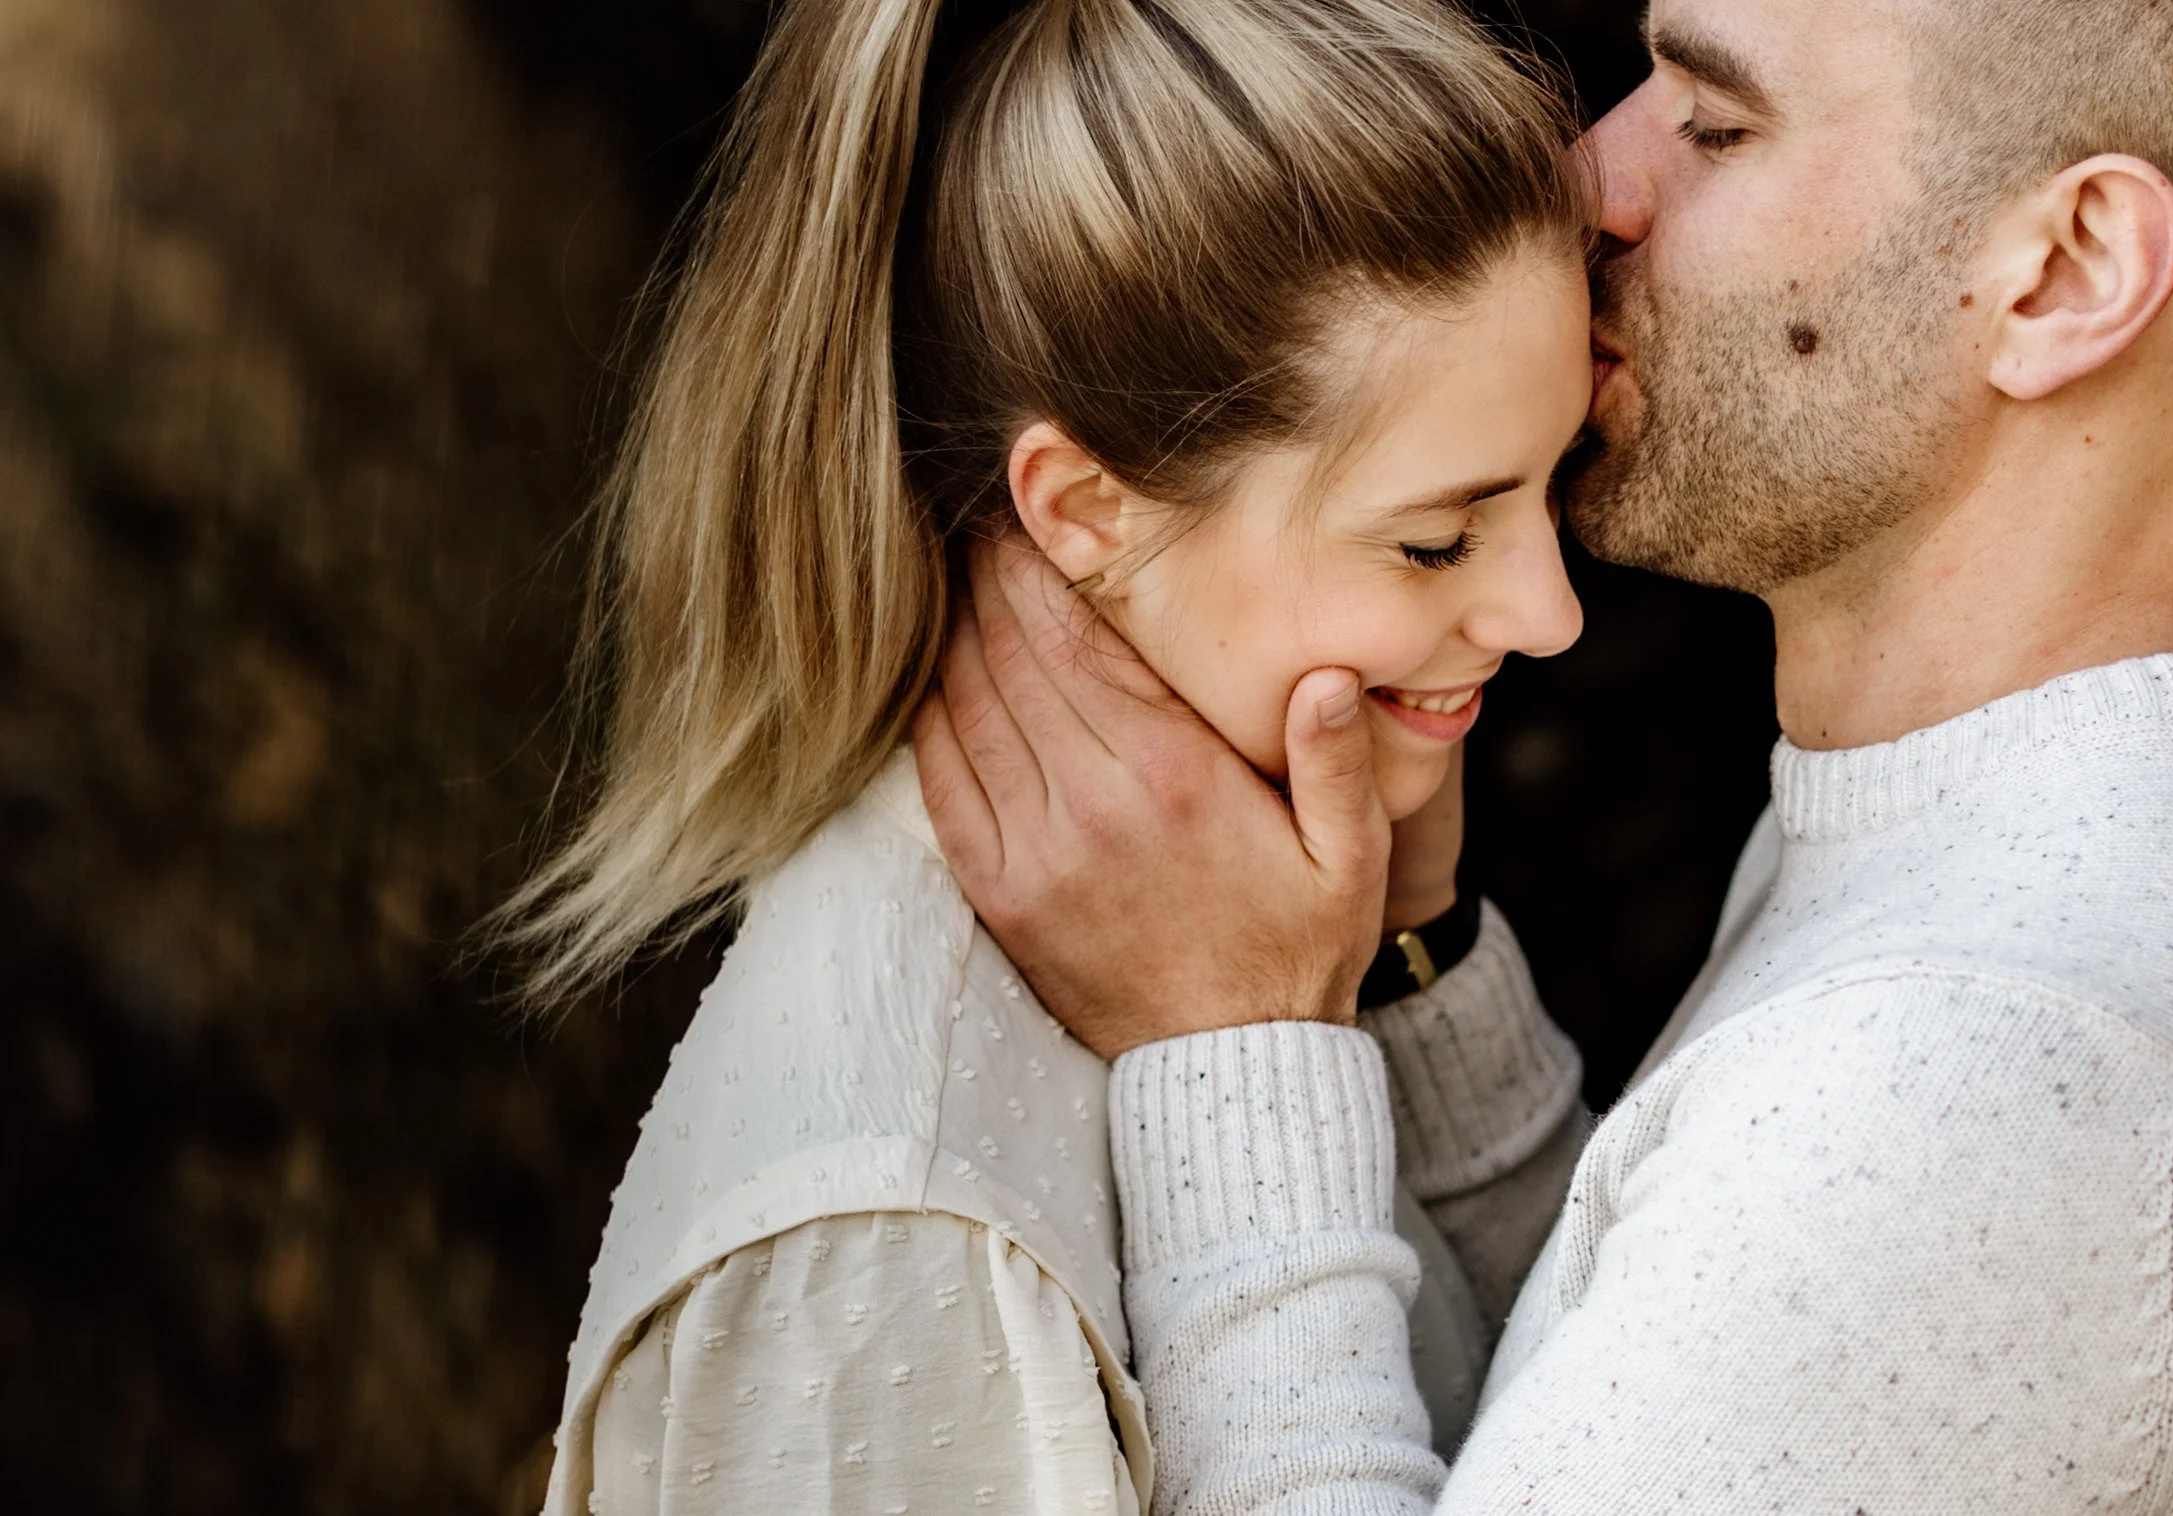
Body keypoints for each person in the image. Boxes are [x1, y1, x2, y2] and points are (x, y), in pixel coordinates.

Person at [915, 0, 2173, 1510]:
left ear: (2063, 273)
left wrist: (1230, 1058)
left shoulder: (1993, 1076)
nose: (1584, 178)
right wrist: (1415, 963)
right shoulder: (2039, 822)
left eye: (1713, 125)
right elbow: (1651, 1392)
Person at [503, 1, 1610, 1511]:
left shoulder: (1292, 894)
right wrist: (1254, 1062)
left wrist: (1407, 967)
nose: (1549, 614)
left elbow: (1598, 1423)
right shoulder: (886, 1238)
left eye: (1560, 481)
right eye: (1433, 540)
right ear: (1083, 514)